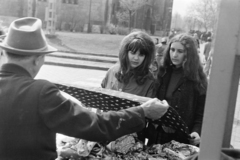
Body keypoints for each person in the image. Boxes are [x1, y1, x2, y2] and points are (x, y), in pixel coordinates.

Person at [0, 17, 169, 160]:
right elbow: (95, 125)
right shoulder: (41, 92)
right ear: (37, 59)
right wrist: (142, 112)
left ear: (5, 53)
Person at [152, 33, 208, 146]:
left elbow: (201, 112)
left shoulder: (197, 78)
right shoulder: (163, 72)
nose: (174, 55)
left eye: (180, 51)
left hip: (182, 137)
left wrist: (197, 131)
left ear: (188, 54)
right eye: (172, 50)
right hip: (158, 133)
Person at [101, 30, 156, 97]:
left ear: (146, 57)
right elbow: (101, 94)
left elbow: (148, 106)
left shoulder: (149, 81)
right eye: (133, 53)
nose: (136, 58)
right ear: (125, 52)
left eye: (141, 55)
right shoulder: (112, 71)